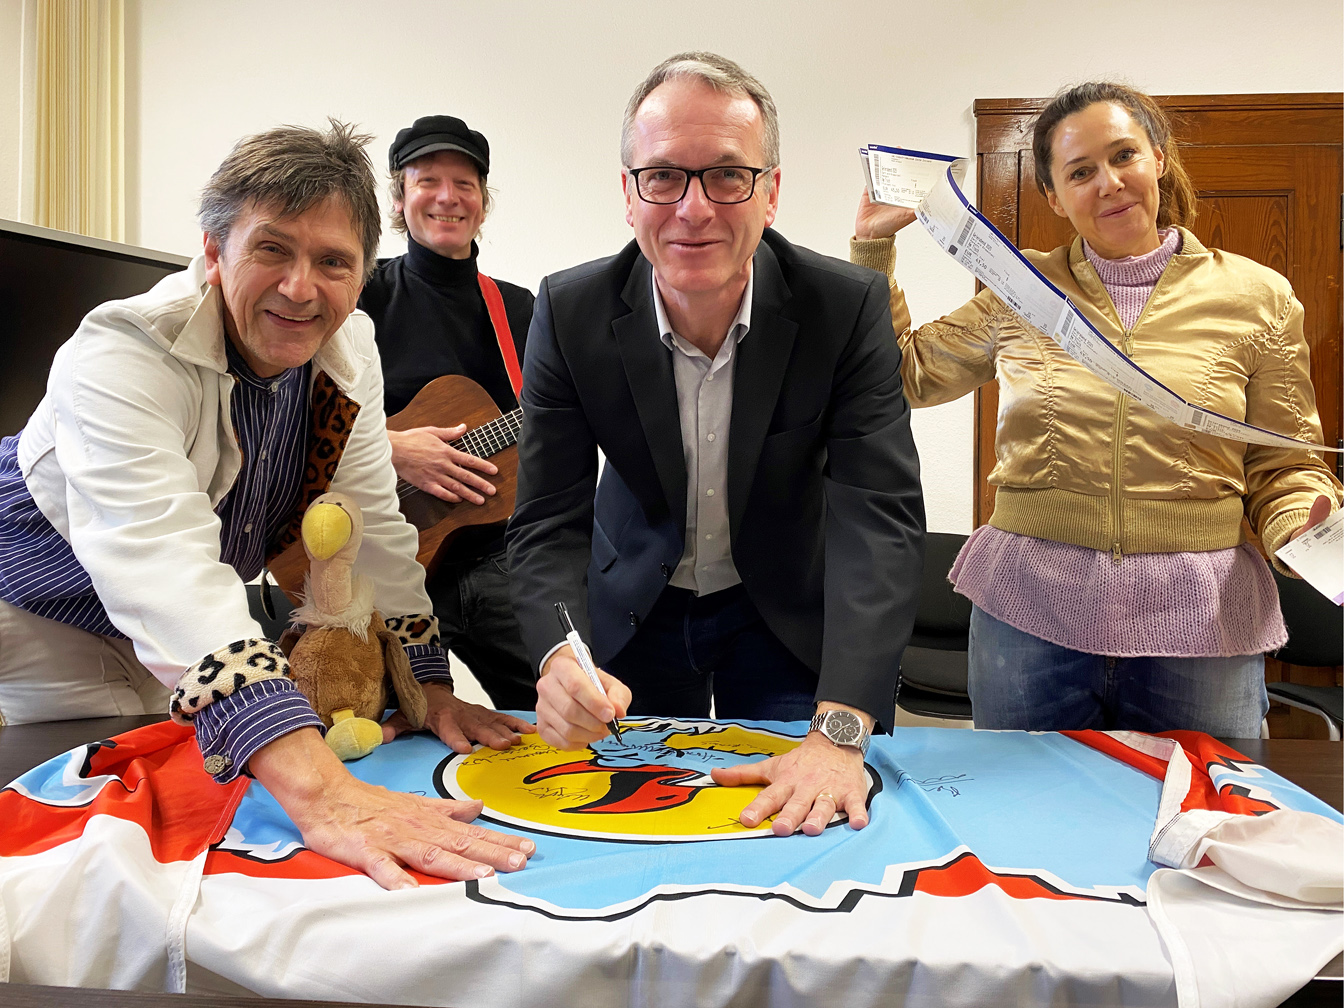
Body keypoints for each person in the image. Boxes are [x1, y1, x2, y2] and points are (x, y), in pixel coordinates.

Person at [0, 121, 532, 889]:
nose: (300, 288)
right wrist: (322, 792)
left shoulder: (350, 354)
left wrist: (431, 691)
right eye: (272, 249)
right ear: (215, 251)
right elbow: (164, 570)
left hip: (177, 641)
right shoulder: (120, 353)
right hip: (40, 621)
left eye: (333, 262)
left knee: (189, 840)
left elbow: (378, 531)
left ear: (361, 276)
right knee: (58, 865)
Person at [506, 53, 925, 837]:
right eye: (663, 177)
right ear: (627, 195)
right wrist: (560, 655)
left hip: (785, 615)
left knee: (799, 823)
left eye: (727, 176)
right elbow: (547, 520)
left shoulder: (844, 306)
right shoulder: (570, 310)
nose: (693, 209)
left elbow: (880, 520)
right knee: (626, 830)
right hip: (632, 613)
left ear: (771, 192)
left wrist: (839, 733)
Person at [850, 81, 1342, 737]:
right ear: (1053, 195)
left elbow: (1286, 463)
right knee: (1025, 820)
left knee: (1207, 820)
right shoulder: (1018, 289)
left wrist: (1303, 530)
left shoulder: (1258, 297)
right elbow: (902, 376)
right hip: (1030, 612)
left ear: (1158, 158)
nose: (1108, 183)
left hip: (1199, 621)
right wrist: (874, 249)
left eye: (1123, 156)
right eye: (1080, 171)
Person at [359, 115, 538, 714]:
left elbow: (554, 419)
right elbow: (296, 406)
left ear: (483, 202)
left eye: (464, 183)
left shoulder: (517, 308)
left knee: (567, 718)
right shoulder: (362, 294)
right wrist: (390, 445)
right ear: (399, 198)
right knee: (371, 726)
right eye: (427, 180)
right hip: (378, 553)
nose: (446, 196)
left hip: (495, 557)